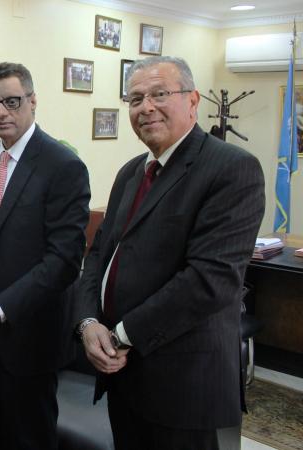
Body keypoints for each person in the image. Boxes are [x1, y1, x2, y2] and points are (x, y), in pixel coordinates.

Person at [76, 56, 265, 450]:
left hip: (184, 383)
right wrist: (89, 322)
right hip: (122, 375)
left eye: (160, 94)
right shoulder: (131, 171)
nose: (146, 107)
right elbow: (98, 256)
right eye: (135, 98)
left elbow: (208, 281)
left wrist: (122, 334)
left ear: (193, 100)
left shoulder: (231, 168)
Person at [0, 62, 90, 449]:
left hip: (28, 335)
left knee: (24, 437)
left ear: (32, 101)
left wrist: (1, 306)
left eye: (12, 101)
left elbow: (63, 261)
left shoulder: (63, 165)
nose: (1, 113)